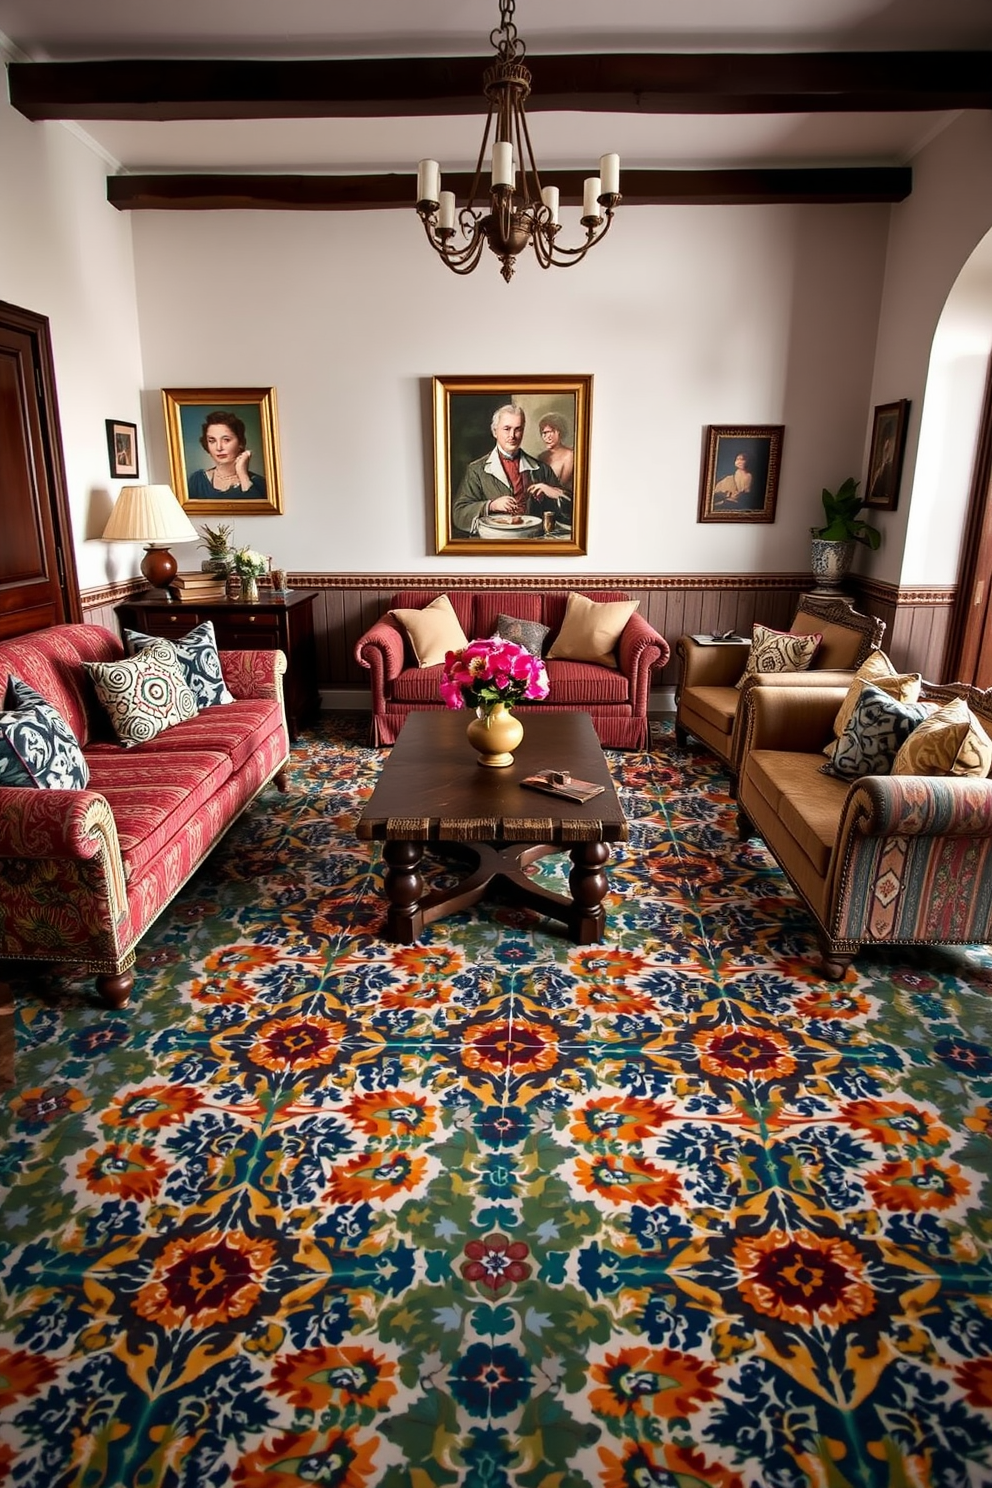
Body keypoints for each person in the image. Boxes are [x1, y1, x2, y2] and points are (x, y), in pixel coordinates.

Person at [452, 405, 571, 536]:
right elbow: (459, 513)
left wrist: (554, 493)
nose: (512, 436)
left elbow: (570, 514)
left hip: (532, 543)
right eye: (507, 429)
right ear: (495, 431)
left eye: (518, 429)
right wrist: (491, 505)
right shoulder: (476, 470)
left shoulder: (541, 469)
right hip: (494, 544)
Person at [187, 410, 267, 502]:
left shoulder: (259, 483)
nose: (219, 447)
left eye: (226, 440)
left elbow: (258, 512)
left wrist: (242, 474)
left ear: (240, 442)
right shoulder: (197, 480)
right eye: (212, 441)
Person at [537, 412, 574, 492]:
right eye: (544, 433)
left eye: (550, 432)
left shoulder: (569, 455)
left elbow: (563, 488)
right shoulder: (541, 457)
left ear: (559, 432)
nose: (547, 437)